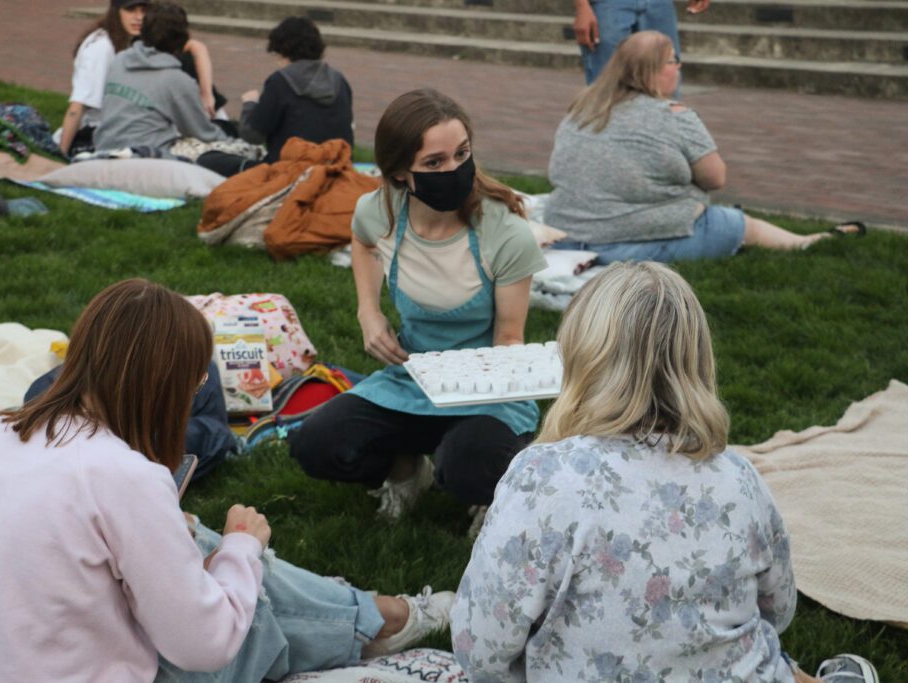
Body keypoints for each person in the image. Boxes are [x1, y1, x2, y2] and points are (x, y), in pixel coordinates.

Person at [0, 278, 454, 683]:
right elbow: (206, 644)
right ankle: (374, 620)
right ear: (169, 383)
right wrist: (244, 548)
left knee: (198, 545)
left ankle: (370, 615)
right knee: (244, 597)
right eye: (199, 378)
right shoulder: (123, 475)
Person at [450, 261, 880, 683]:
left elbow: (480, 648)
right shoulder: (739, 477)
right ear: (697, 361)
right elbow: (777, 609)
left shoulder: (540, 477)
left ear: (582, 356)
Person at [289, 89, 547, 528]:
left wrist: (474, 388)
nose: (454, 169)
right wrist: (367, 312)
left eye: (461, 154)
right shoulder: (383, 210)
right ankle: (407, 472)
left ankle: (492, 492)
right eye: (434, 163)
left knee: (468, 464)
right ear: (399, 173)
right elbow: (363, 240)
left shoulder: (505, 234)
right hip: (413, 375)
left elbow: (508, 338)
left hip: (488, 389)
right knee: (316, 443)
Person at [545, 31, 865, 264]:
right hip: (629, 245)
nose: (679, 67)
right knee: (730, 223)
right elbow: (715, 178)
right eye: (673, 60)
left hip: (566, 234)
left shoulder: (582, 109)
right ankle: (809, 242)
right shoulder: (674, 115)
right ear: (653, 71)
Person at [94, 2, 257, 175]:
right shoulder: (177, 80)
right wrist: (233, 142)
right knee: (240, 148)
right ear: (182, 38)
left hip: (104, 144)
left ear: (144, 31)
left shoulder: (120, 60)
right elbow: (202, 131)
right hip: (146, 152)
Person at [58, 0, 227, 157]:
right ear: (116, 11)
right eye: (131, 10)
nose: (138, 17)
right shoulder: (101, 49)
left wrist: (206, 93)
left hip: (131, 129)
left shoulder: (133, 44)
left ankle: (216, 118)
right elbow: (76, 108)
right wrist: (61, 154)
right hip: (109, 133)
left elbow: (197, 47)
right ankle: (219, 124)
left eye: (144, 10)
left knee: (188, 63)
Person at [238, 17, 354, 163]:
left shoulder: (280, 81)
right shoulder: (339, 80)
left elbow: (253, 135)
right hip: (337, 169)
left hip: (290, 171)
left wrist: (249, 104)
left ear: (281, 50)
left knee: (214, 161)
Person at [573, 0, 709, 86]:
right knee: (606, 84)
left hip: (659, 5)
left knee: (666, 79)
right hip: (608, 5)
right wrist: (582, 6)